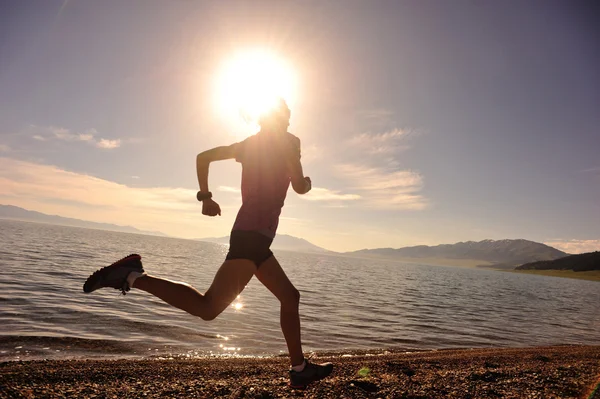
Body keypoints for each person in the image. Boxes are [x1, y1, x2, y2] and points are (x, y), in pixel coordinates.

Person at [83, 98, 333, 388]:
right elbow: (300, 187)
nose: (289, 122)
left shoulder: (249, 145)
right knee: (208, 308)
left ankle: (299, 368)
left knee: (290, 297)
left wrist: (205, 197)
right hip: (252, 236)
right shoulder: (289, 143)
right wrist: (308, 180)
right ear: (276, 119)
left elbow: (203, 157)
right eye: (286, 117)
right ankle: (133, 276)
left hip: (254, 237)